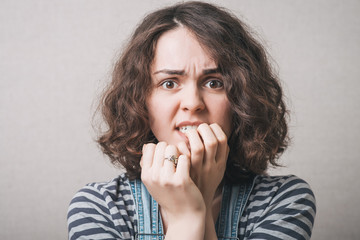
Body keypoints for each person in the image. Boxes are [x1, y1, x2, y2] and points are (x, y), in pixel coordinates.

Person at [67, 1, 316, 239]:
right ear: (140, 100)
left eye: (214, 83)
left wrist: (200, 205)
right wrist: (188, 216)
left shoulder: (286, 200)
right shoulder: (98, 207)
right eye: (169, 83)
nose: (193, 102)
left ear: (242, 99)